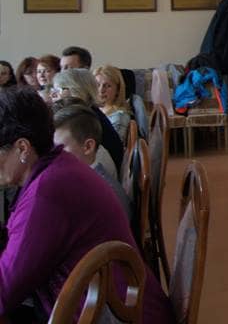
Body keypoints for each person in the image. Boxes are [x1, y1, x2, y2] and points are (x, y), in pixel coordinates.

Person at [0, 87, 173, 323]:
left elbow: (4, 292)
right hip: (118, 306)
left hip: (117, 315)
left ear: (22, 148)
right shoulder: (57, 166)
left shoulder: (48, 192)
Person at [52, 103, 131, 221]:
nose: (54, 155)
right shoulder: (85, 178)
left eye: (60, 148)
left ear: (88, 147)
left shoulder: (97, 192)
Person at [48, 68, 125, 175]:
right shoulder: (90, 111)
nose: (52, 96)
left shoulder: (83, 119)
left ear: (75, 91)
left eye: (58, 90)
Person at [92, 65, 132, 144]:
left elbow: (113, 147)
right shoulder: (95, 109)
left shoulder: (119, 117)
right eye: (97, 85)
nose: (101, 90)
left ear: (118, 90)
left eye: (107, 86)